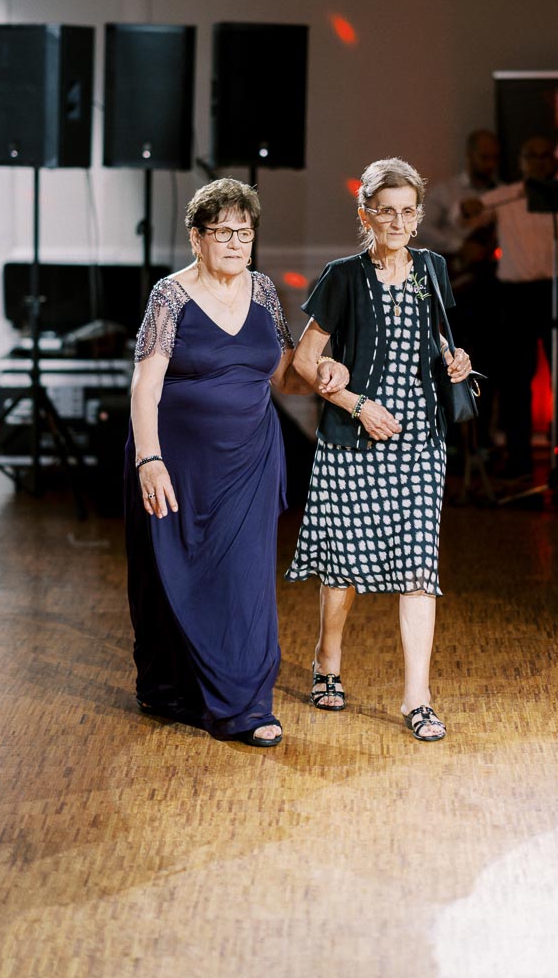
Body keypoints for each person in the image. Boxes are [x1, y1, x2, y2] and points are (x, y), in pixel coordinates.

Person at [126, 178, 348, 747]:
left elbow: (283, 377)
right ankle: (172, 690)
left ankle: (244, 707)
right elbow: (145, 386)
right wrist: (150, 460)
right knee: (170, 579)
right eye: (223, 232)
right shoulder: (169, 296)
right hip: (176, 462)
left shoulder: (264, 291)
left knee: (244, 582)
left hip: (249, 461)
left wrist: (328, 375)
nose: (235, 242)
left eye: (244, 233)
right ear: (196, 238)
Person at [285, 157, 473, 742]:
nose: (396, 222)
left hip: (420, 437)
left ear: (418, 219)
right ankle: (327, 660)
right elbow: (303, 363)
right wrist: (356, 405)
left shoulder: (433, 270)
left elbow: (437, 338)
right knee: (345, 565)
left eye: (406, 212)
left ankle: (417, 698)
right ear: (365, 214)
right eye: (385, 211)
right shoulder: (342, 276)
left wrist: (456, 360)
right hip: (354, 435)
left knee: (419, 566)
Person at [477, 136, 558, 488]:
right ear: (522, 161)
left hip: (556, 289)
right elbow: (466, 216)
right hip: (515, 294)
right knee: (516, 379)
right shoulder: (507, 194)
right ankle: (519, 462)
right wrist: (465, 209)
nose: (540, 162)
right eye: (533, 156)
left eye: (546, 156)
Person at [420, 129, 501, 452]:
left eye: (494, 157)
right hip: (457, 288)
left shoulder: (502, 192)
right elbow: (422, 229)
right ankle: (451, 439)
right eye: (484, 157)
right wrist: (459, 246)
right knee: (452, 361)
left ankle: (483, 439)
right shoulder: (446, 192)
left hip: (494, 289)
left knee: (490, 364)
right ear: (470, 156)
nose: (490, 163)